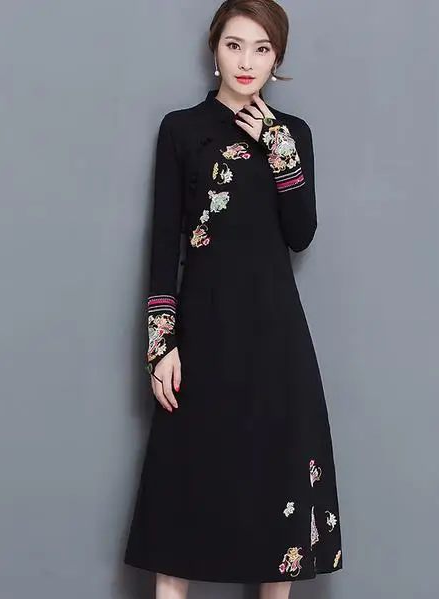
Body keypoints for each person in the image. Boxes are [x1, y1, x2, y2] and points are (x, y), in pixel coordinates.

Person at [124, 1, 343, 597]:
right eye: (234, 45)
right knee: (182, 495)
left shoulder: (292, 134)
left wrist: (277, 148)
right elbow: (163, 242)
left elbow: (300, 233)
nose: (247, 61)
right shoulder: (181, 130)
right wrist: (160, 347)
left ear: (278, 58)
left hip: (275, 342)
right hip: (202, 336)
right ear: (214, 51)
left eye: (262, 49)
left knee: (278, 497)